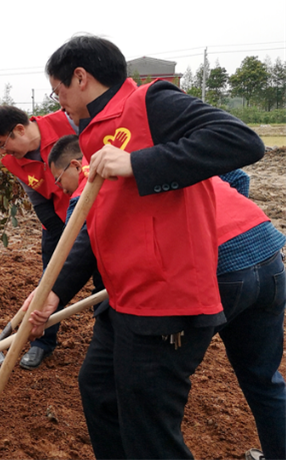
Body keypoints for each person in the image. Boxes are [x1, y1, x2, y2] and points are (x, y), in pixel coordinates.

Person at [28, 35, 265, 460]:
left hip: (165, 299)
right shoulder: (91, 137)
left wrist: (137, 164)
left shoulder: (150, 104)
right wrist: (54, 289)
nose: (57, 101)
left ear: (80, 77)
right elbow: (89, 227)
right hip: (125, 298)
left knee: (148, 430)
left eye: (58, 90)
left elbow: (241, 141)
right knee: (98, 388)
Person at [46, 136, 286, 460]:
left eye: (61, 183)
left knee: (148, 396)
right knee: (263, 380)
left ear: (77, 165)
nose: (62, 193)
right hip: (266, 253)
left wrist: (51, 294)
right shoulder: (153, 156)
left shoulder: (93, 184)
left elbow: (82, 245)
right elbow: (236, 177)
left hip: (214, 273)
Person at [0, 105, 76, 369]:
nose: (4, 152)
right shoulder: (13, 161)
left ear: (20, 129)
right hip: (56, 223)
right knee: (48, 283)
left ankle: (112, 339)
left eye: (3, 143)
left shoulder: (67, 124)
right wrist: (61, 237)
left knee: (105, 279)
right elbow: (39, 201)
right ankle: (42, 343)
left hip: (95, 211)